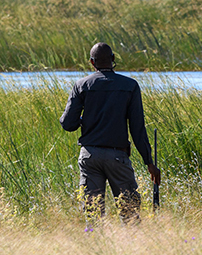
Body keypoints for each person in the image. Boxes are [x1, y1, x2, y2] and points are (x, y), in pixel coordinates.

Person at [59, 42, 161, 223]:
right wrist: (149, 163)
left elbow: (68, 124)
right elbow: (137, 129)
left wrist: (85, 120)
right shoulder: (130, 86)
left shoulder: (81, 85)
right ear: (113, 59)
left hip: (89, 157)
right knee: (129, 214)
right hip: (117, 157)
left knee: (93, 215)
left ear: (92, 62)